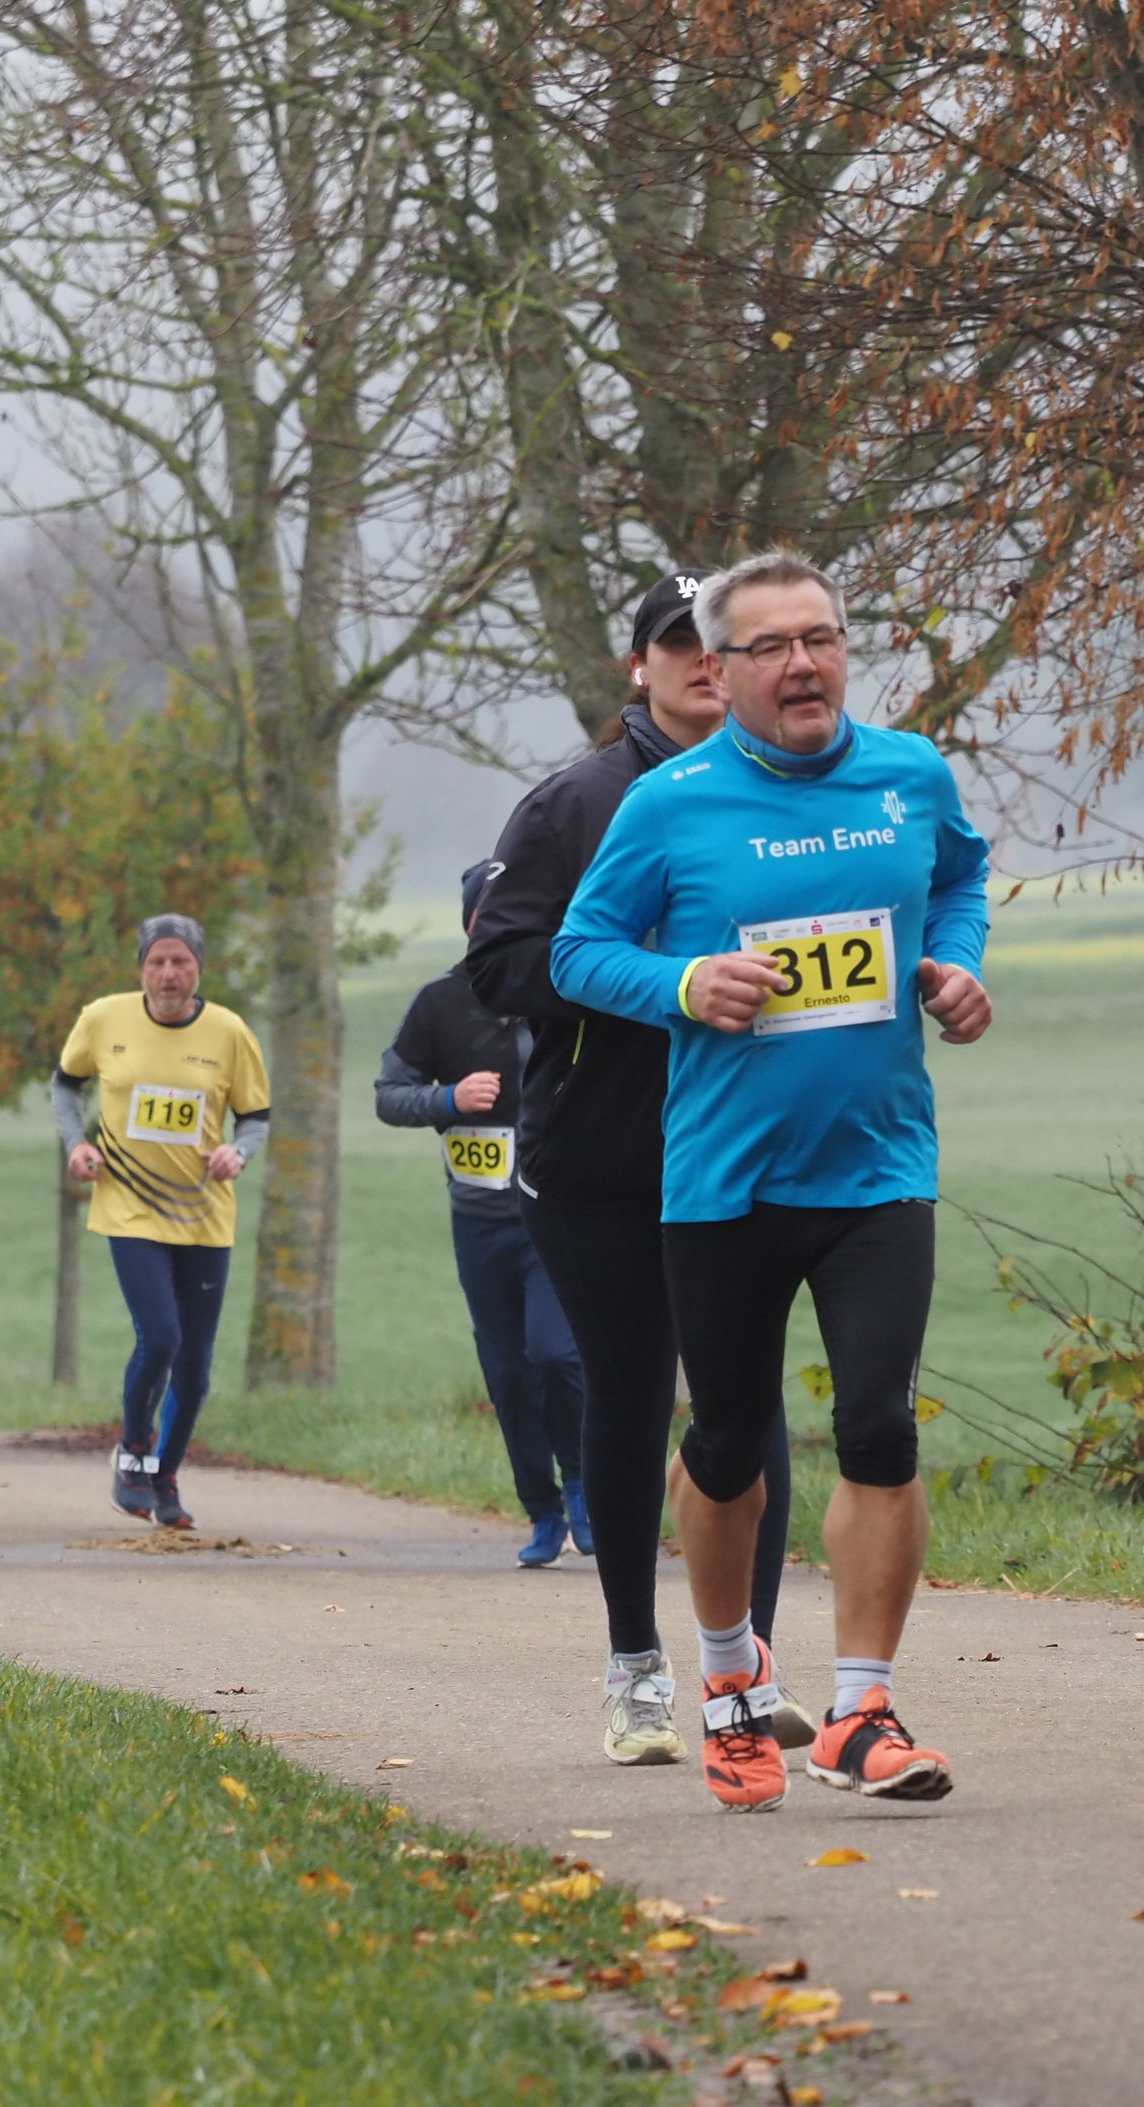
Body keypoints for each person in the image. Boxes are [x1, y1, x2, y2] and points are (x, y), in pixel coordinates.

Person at [547, 548, 989, 1813]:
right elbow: (579, 952)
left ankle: (860, 1709)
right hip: (726, 1180)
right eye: (773, 647)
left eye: (823, 639)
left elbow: (959, 878)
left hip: (879, 1165)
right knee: (729, 1444)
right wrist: (685, 983)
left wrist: (956, 964)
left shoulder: (909, 775)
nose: (804, 664)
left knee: (880, 1426)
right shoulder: (670, 804)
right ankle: (733, 1678)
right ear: (721, 668)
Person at [463, 570, 815, 1767]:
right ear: (639, 666)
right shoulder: (574, 804)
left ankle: (747, 1664)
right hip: (604, 1158)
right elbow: (499, 965)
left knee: (744, 1402)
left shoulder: (790, 795)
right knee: (630, 1396)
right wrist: (653, 977)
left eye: (720, 642)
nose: (703, 662)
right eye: (679, 643)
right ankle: (636, 1667)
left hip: (751, 1144)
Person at [380, 859, 590, 1566]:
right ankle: (542, 1511)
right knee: (507, 1373)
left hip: (554, 1214)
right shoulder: (439, 1004)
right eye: (487, 914)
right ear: (471, 924)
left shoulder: (566, 992)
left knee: (556, 1353)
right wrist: (447, 1100)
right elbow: (388, 1094)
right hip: (478, 1221)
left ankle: (583, 1486)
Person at [54, 916, 271, 1532]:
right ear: (141, 968)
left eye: (181, 962)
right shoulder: (104, 1018)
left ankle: (165, 1475)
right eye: (157, 962)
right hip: (129, 1207)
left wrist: (238, 1153)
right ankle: (131, 1453)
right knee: (161, 1336)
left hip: (203, 1213)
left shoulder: (229, 1032)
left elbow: (256, 1117)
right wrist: (75, 1143)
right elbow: (66, 1085)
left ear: (199, 967)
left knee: (196, 1366)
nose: (169, 974)